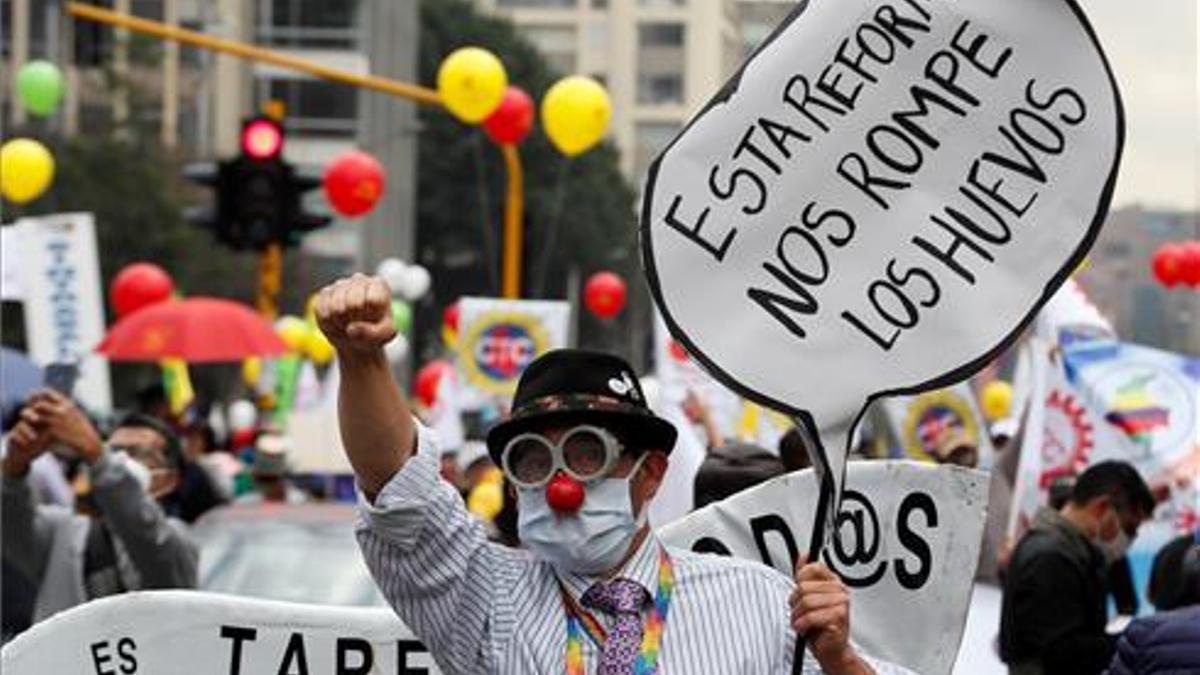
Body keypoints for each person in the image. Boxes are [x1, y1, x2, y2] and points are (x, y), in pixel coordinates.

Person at [316, 274, 912, 675]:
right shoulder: (485, 597)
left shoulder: (762, 605)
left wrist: (841, 663)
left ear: (650, 474)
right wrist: (360, 357)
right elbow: (403, 496)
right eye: (531, 459)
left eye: (584, 453)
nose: (561, 485)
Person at [2, 391, 198, 623]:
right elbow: (9, 523)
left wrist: (96, 453)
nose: (121, 461)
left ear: (168, 480)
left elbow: (141, 528)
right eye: (113, 451)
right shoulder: (61, 532)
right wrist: (13, 468)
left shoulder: (176, 540)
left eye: (137, 453)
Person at [999, 460, 1155, 675]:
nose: (1129, 539)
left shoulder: (1071, 552)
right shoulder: (1051, 556)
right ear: (1102, 507)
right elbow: (1062, 654)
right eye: (1128, 527)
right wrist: (1138, 641)